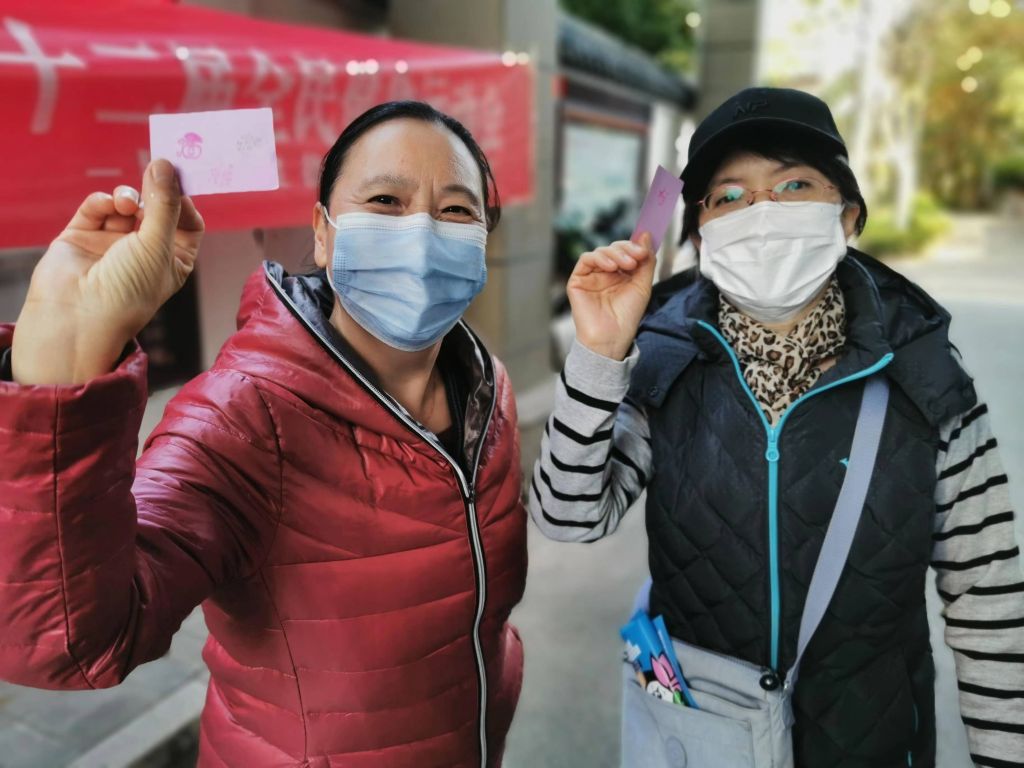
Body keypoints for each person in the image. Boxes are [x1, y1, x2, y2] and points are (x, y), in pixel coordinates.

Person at [0, 101, 527, 768]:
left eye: (455, 210)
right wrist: (62, 362)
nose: (421, 232)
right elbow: (73, 644)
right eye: (385, 201)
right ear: (323, 233)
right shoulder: (244, 417)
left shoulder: (486, 387)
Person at [530, 87, 1023, 767]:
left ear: (846, 215)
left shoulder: (927, 377)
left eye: (793, 185)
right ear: (699, 236)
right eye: (729, 197)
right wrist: (600, 355)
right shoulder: (663, 363)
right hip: (704, 739)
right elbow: (567, 517)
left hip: (873, 743)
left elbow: (989, 604)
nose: (762, 212)